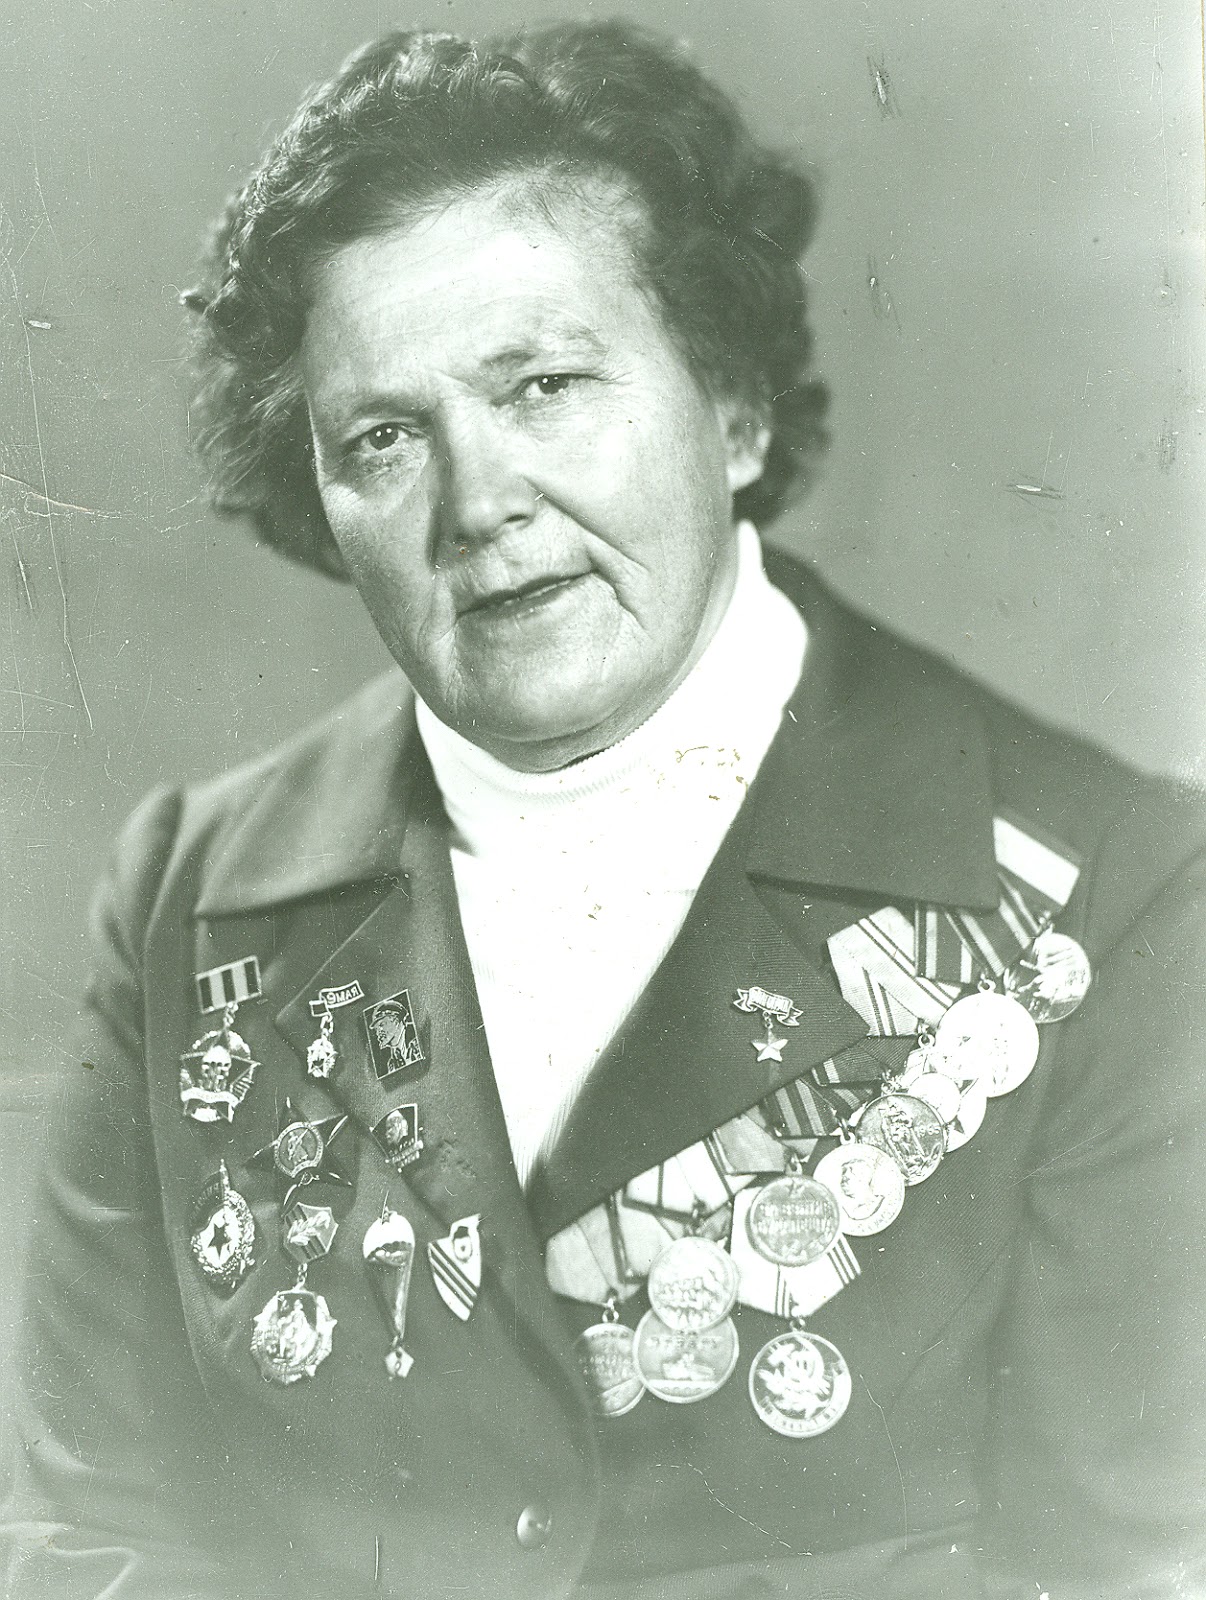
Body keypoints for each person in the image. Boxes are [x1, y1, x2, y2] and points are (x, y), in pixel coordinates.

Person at [3, 21, 1205, 1600]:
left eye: (546, 386)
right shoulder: (190, 894)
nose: (479, 501)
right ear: (319, 501)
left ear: (733, 408)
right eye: (383, 437)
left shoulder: (1124, 896)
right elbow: (95, 1540)